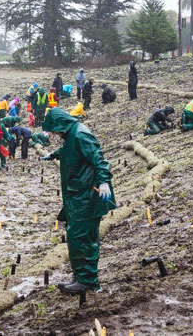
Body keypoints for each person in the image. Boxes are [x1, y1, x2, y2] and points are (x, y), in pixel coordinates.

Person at [42, 107, 116, 293]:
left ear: (61, 125)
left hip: (87, 197)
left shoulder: (81, 134)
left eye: (54, 130)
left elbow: (99, 159)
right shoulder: (71, 135)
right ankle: (81, 277)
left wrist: (105, 181)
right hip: (77, 196)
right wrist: (55, 154)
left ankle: (87, 281)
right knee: (75, 238)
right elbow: (71, 150)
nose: (54, 134)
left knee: (82, 238)